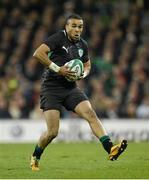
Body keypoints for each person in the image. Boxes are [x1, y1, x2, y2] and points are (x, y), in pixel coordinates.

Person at [30, 14, 127, 171]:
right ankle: (35, 156)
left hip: (70, 88)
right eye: (73, 26)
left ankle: (110, 148)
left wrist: (84, 74)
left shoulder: (83, 45)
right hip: (51, 88)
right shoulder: (58, 38)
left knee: (90, 113)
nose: (77, 29)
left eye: (80, 27)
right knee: (52, 132)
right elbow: (38, 53)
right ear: (66, 27)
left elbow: (87, 64)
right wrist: (58, 69)